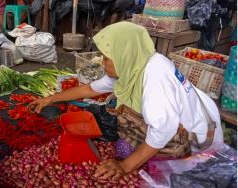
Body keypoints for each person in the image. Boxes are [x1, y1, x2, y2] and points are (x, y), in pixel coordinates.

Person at [30, 22, 224, 180]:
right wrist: (51, 98)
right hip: (174, 120)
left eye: (106, 58)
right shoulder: (133, 64)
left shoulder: (155, 76)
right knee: (124, 146)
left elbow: (162, 130)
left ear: (124, 55)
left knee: (136, 160)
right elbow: (90, 88)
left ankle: (180, 162)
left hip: (193, 138)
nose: (102, 62)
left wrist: (124, 166)